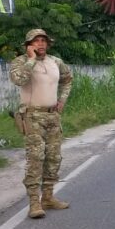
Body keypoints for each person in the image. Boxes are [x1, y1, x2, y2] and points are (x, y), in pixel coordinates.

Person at [9, 29, 73, 219]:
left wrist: (62, 99)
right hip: (32, 117)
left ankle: (48, 197)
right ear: (28, 45)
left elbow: (68, 79)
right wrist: (30, 60)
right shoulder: (21, 62)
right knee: (35, 159)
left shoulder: (56, 62)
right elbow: (19, 80)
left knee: (53, 158)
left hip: (52, 116)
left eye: (43, 40)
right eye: (36, 41)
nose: (40, 44)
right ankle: (34, 203)